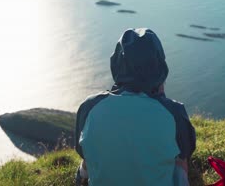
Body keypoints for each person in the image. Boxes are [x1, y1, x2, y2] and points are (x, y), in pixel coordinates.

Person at [75, 28, 196, 186]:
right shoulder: (174, 112)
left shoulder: (89, 106)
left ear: (116, 64)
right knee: (181, 161)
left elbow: (82, 151)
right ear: (159, 65)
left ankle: (82, 178)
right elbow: (186, 151)